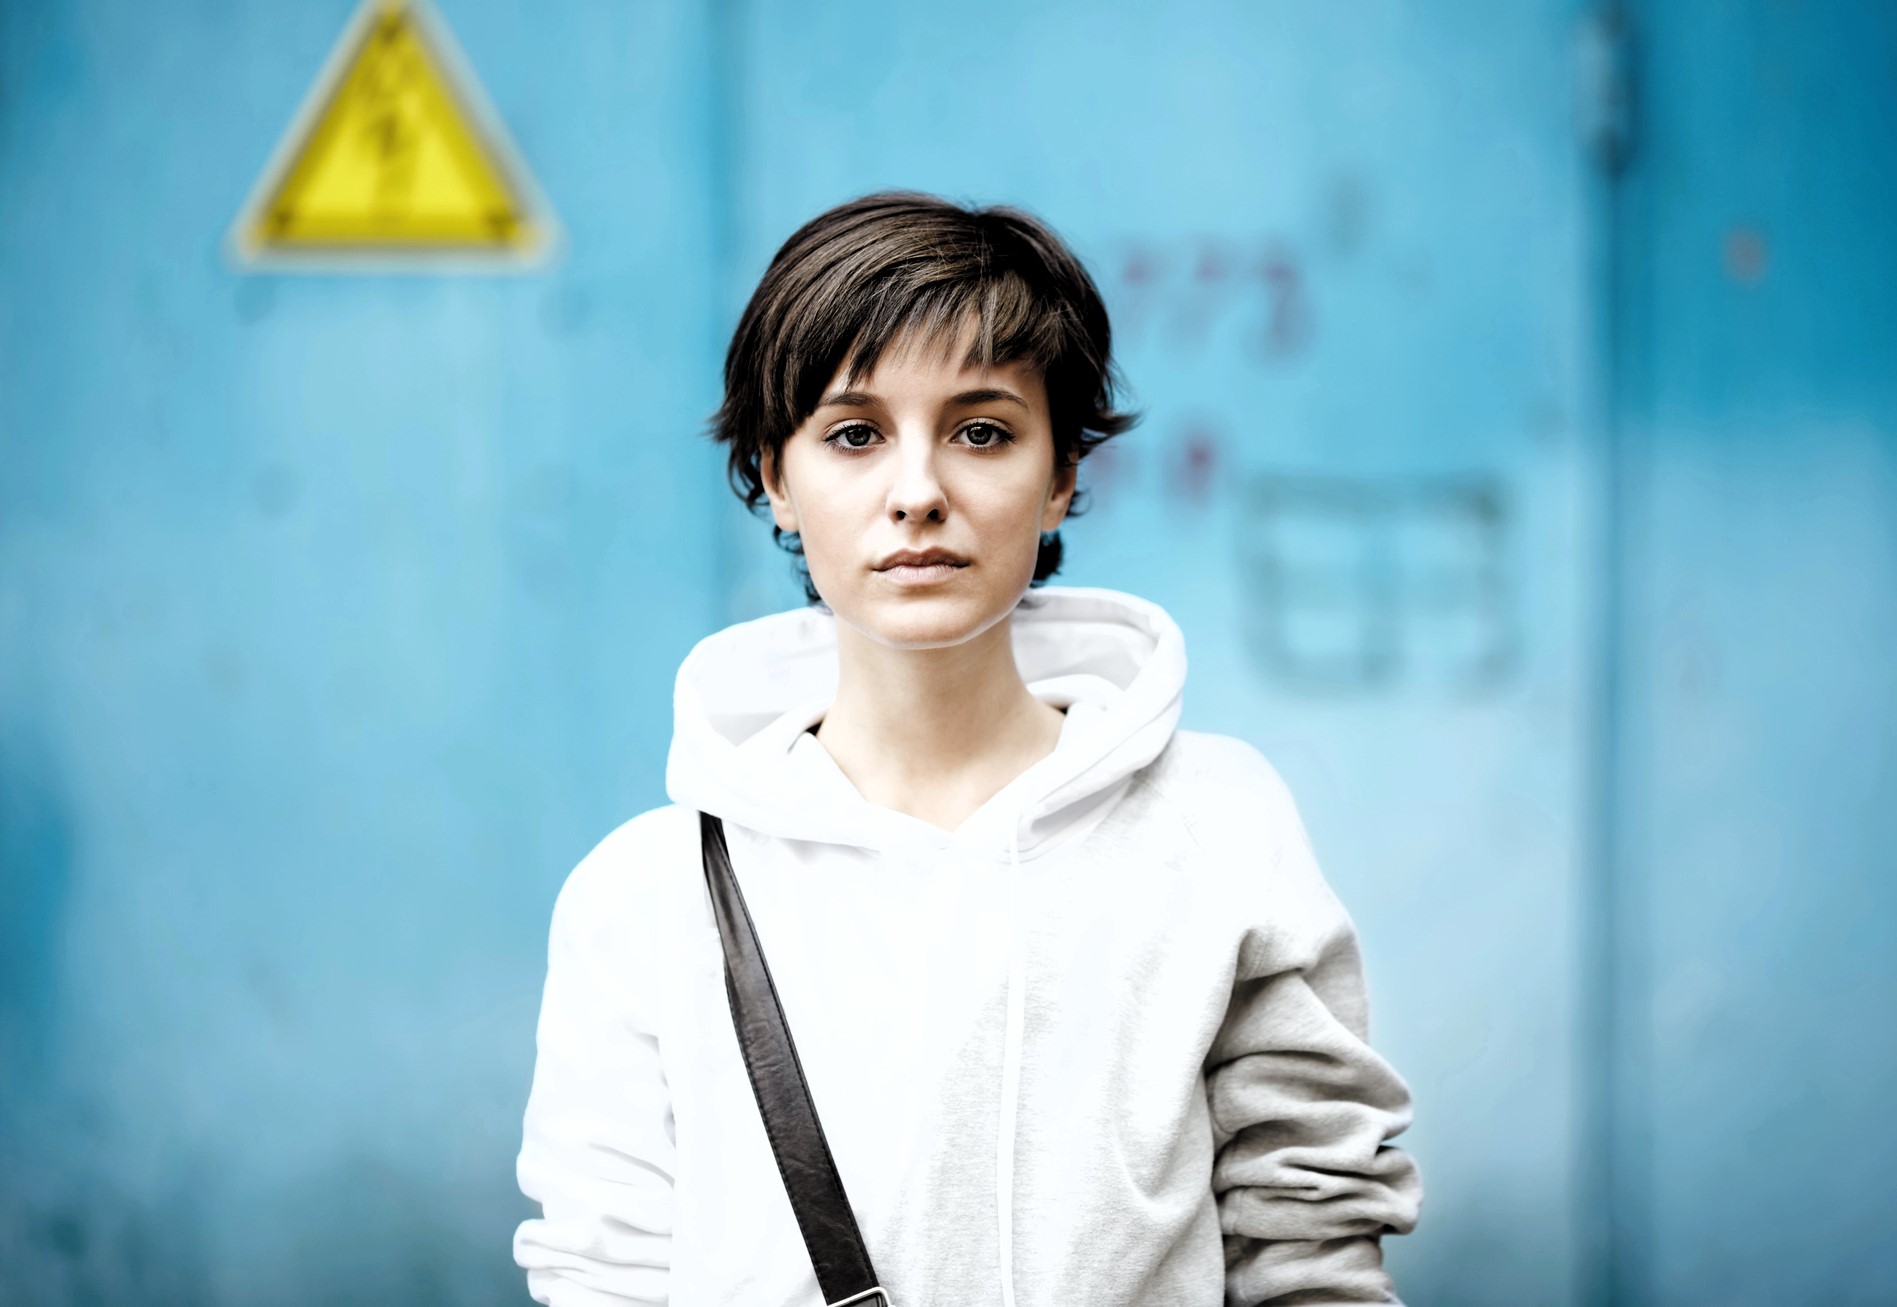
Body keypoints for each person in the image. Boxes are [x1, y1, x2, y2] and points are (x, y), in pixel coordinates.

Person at [511, 191, 1422, 1306]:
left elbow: (1310, 1230)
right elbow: (604, 1268)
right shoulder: (642, 894)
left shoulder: (1217, 822)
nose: (917, 493)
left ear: (1060, 478)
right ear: (775, 477)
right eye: (853, 434)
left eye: (981, 430)